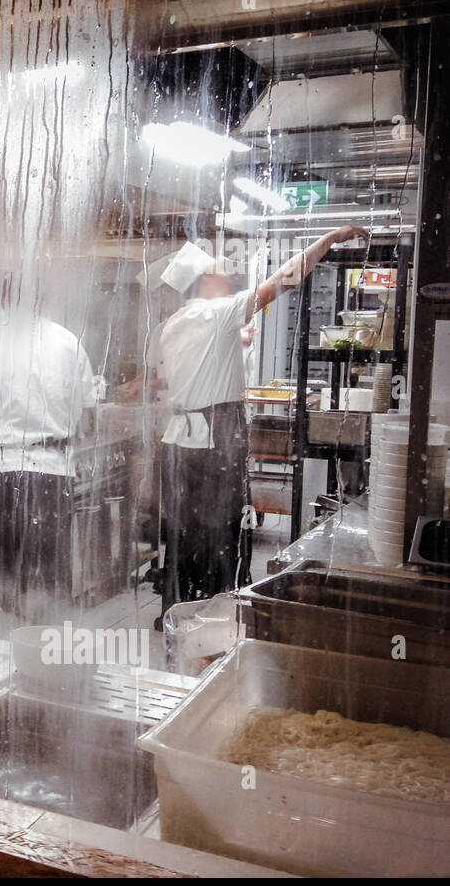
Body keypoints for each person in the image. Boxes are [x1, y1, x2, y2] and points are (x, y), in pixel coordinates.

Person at [153, 226, 368, 622]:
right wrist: (329, 239)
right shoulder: (216, 312)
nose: (227, 275)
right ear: (202, 283)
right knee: (225, 532)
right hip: (216, 437)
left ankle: (179, 611)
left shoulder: (175, 323)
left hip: (180, 443)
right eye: (218, 271)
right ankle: (219, 615)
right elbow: (284, 278)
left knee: (185, 534)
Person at [0, 278, 97, 615]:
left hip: (3, 478)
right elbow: (87, 409)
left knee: (3, 582)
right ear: (43, 295)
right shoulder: (68, 340)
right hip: (56, 476)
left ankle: (1, 651)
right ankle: (45, 655)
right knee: (51, 578)